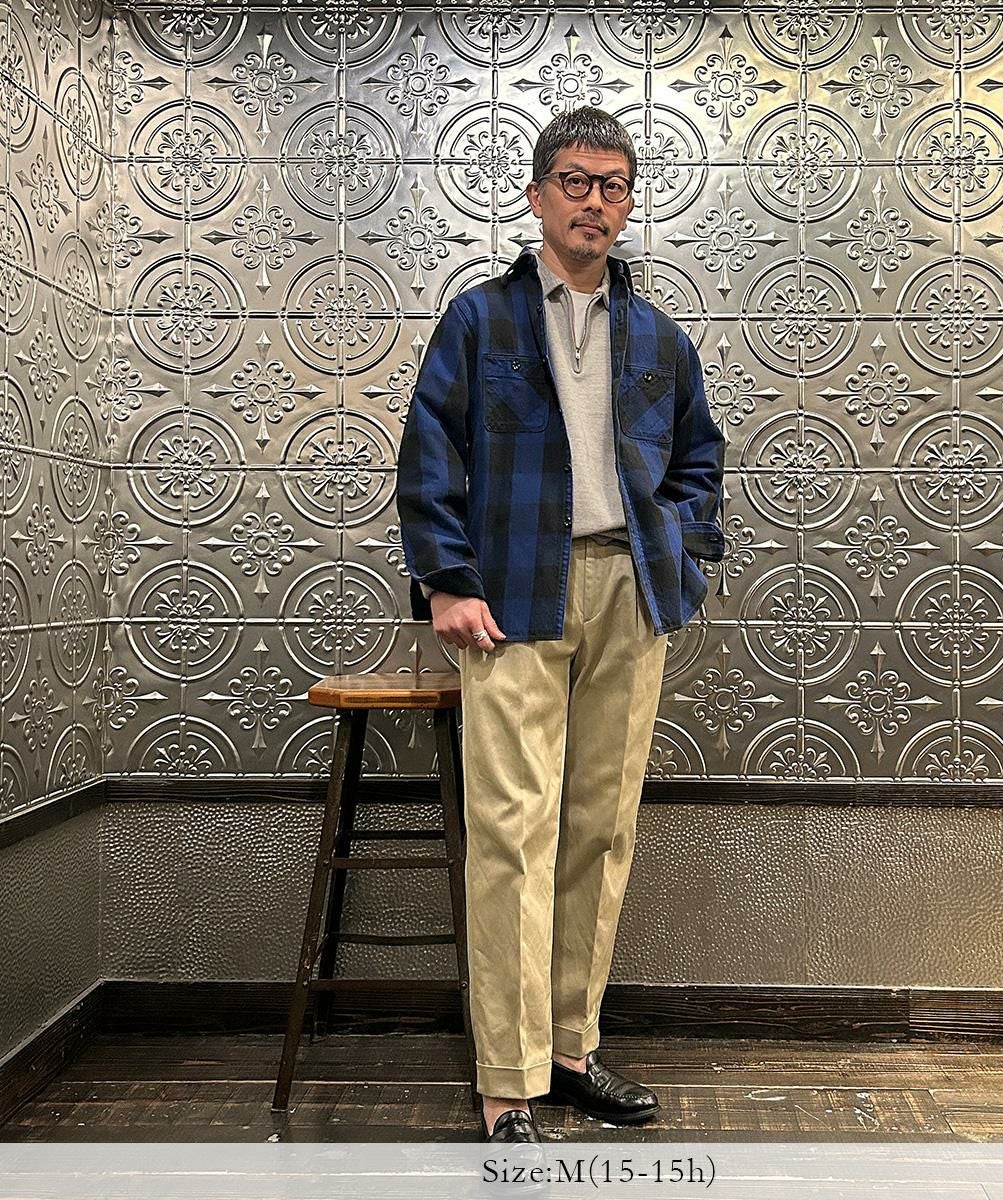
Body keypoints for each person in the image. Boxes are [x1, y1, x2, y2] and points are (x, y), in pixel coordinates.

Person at [396, 106, 725, 1143]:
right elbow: (429, 452)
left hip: (631, 593)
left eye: (613, 185)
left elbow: (700, 461)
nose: (594, 202)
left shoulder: (659, 337)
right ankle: (507, 1080)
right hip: (512, 593)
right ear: (538, 196)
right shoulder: (479, 321)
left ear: (628, 205)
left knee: (602, 827)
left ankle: (571, 1052)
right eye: (575, 182)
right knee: (512, 831)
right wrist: (446, 580)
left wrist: (679, 555)